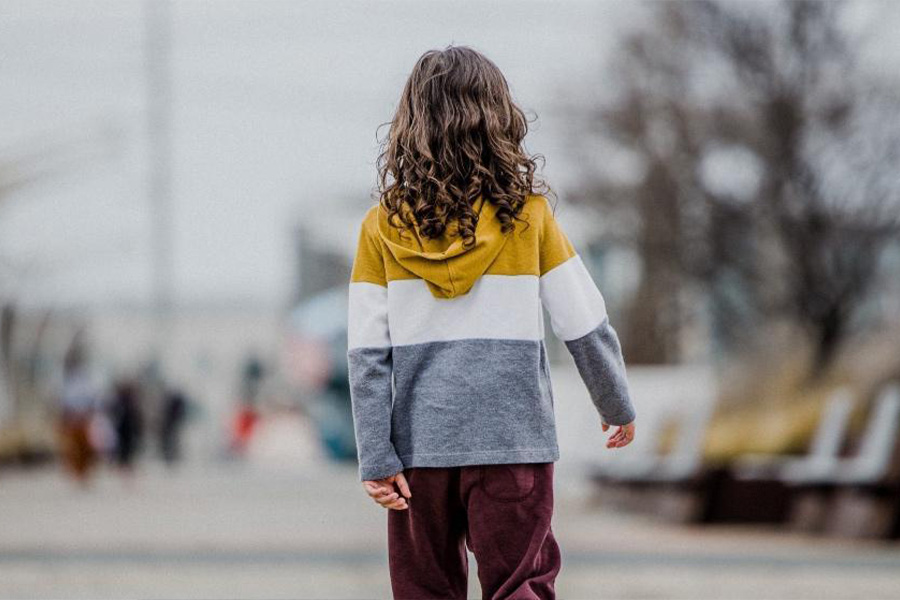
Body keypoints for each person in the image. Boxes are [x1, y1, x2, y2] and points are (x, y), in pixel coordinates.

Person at [346, 46, 637, 599]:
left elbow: (366, 356)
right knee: (520, 583)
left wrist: (377, 456)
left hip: (419, 453)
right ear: (499, 122)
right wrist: (615, 403)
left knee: (424, 587)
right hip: (514, 442)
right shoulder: (530, 219)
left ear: (411, 127)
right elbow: (584, 323)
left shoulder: (379, 230)